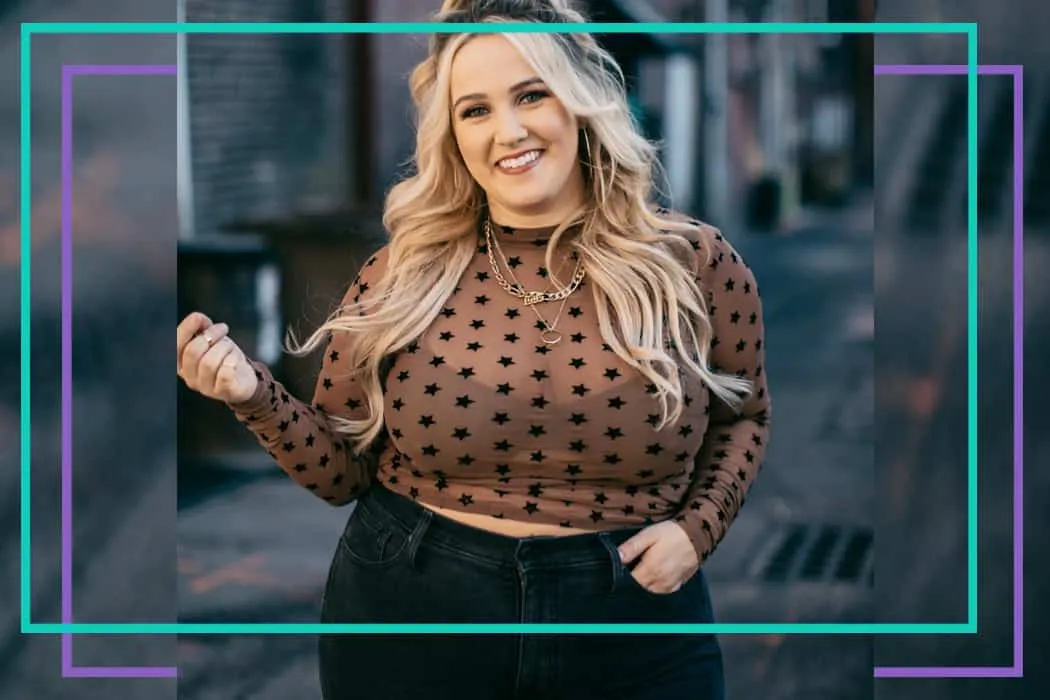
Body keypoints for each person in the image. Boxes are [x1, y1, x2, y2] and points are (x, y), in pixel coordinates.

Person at [175, 0, 771, 697]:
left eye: (531, 95)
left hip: (633, 629)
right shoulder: (404, 275)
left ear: (581, 102)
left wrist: (698, 529)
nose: (507, 131)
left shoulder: (694, 265)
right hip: (414, 618)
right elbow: (342, 475)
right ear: (452, 135)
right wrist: (251, 395)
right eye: (475, 110)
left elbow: (744, 416)